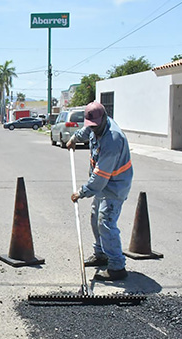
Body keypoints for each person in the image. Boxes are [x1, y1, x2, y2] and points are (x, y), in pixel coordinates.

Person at [67, 101, 133, 281]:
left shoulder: (113, 139)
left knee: (106, 222)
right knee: (95, 218)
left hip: (115, 184)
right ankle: (101, 254)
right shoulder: (95, 125)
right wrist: (75, 138)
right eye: (90, 125)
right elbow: (87, 131)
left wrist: (82, 192)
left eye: (95, 126)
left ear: (104, 118)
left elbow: (100, 176)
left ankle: (117, 267)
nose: (93, 129)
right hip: (103, 183)